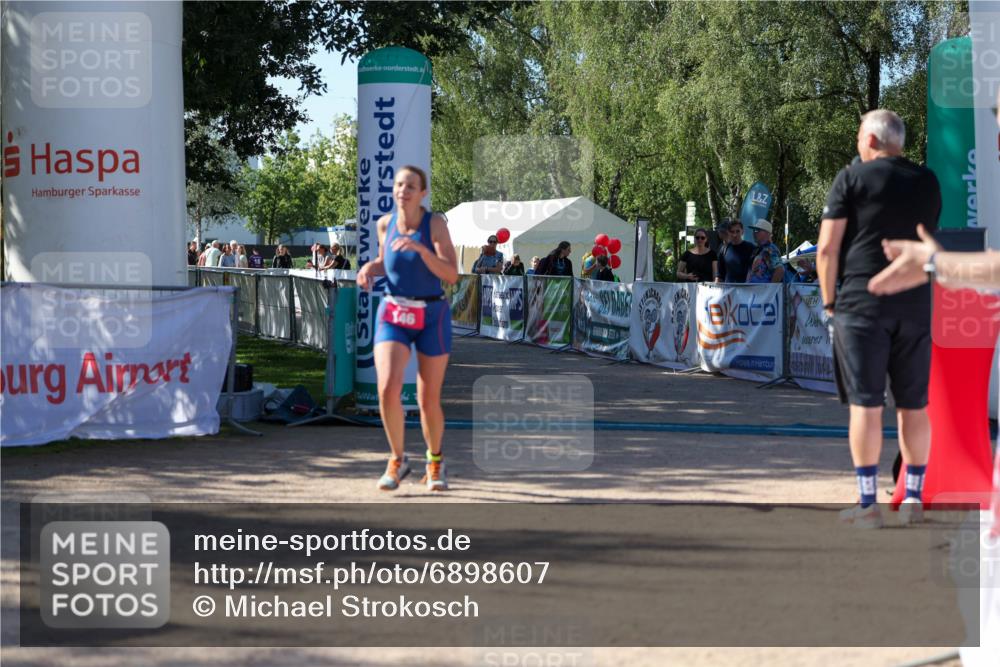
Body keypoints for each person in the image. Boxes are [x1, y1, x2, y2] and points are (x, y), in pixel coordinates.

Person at [817, 108, 941, 529]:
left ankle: (867, 505)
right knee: (914, 404)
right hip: (917, 303)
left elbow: (827, 249)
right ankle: (914, 499)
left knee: (866, 406)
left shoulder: (850, 179)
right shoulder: (927, 181)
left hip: (861, 304)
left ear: (870, 140)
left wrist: (830, 301)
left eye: (857, 137)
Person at [355, 165, 458, 492]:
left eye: (411, 185)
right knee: (387, 387)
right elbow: (389, 262)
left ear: (423, 192)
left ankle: (435, 461)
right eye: (399, 184)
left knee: (428, 398)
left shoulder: (435, 225)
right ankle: (397, 459)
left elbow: (452, 275)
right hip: (394, 311)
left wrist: (422, 249)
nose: (403, 190)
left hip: (432, 313)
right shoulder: (384, 224)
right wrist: (369, 268)